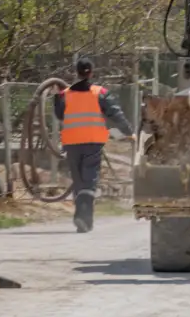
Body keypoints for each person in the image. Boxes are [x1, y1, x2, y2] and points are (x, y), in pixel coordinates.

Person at [53, 56, 132, 233]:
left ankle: (81, 218)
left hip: (72, 143)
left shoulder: (64, 95)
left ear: (77, 72)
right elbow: (115, 113)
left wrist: (58, 96)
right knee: (89, 181)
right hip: (93, 142)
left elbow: (59, 115)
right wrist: (129, 131)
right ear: (91, 73)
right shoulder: (100, 93)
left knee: (79, 181)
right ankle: (84, 218)